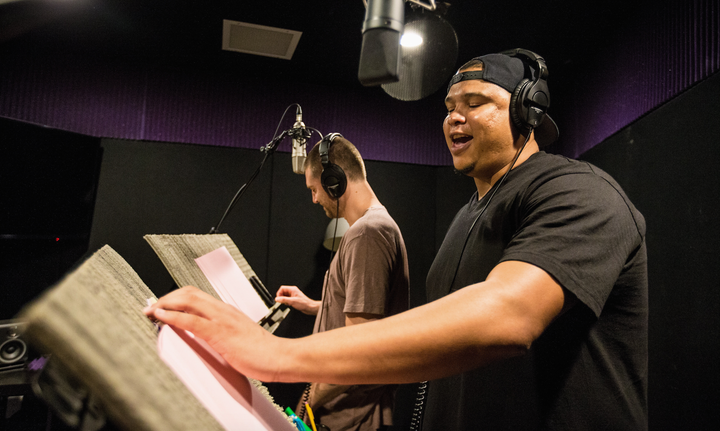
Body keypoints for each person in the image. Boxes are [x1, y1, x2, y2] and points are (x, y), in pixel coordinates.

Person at [145, 49, 648, 430]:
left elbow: (507, 317)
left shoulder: (578, 191)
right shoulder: (469, 214)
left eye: (477, 103)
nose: (455, 117)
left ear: (526, 113)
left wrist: (272, 356)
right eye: (450, 106)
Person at [277, 134, 410, 430]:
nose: (314, 199)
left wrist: (306, 404)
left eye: (314, 189)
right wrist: (316, 306)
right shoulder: (374, 228)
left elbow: (358, 349)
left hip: (351, 418)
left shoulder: (367, 234)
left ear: (333, 181)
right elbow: (370, 311)